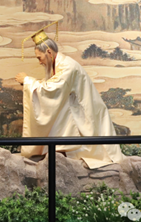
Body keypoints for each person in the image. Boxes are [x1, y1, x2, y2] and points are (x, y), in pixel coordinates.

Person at [15, 22, 124, 169]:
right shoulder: (59, 65)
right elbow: (51, 87)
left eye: (39, 58)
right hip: (77, 111)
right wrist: (31, 83)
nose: (40, 62)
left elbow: (51, 90)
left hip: (85, 115)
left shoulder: (67, 67)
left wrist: (27, 81)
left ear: (49, 52)